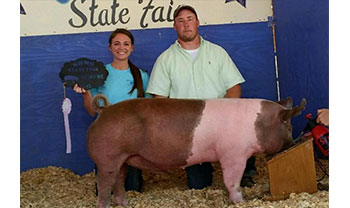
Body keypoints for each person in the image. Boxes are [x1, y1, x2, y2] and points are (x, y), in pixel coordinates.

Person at [146, 5, 256, 189]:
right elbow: (160, 100)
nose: (186, 24)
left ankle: (244, 175)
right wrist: (177, 127)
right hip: (189, 129)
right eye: (180, 21)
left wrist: (226, 116)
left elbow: (234, 87)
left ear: (197, 23)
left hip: (220, 122)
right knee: (199, 186)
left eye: (190, 19)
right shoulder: (165, 59)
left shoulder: (217, 52)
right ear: (174, 27)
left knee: (243, 131)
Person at [74, 28, 150, 192]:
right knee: (105, 190)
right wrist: (85, 91)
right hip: (107, 136)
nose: (121, 47)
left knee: (133, 190)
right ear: (110, 47)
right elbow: (91, 111)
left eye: (126, 44)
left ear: (132, 48)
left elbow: (149, 111)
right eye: (116, 44)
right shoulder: (99, 74)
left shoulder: (141, 76)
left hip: (133, 139)